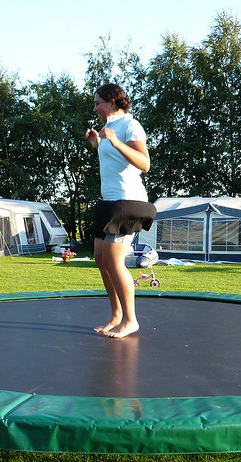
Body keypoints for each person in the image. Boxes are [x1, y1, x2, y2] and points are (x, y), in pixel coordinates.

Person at [85, 83, 156, 338]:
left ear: (112, 102)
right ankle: (116, 315)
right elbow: (115, 163)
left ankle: (130, 319)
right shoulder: (108, 129)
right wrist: (97, 144)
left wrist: (114, 141)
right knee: (101, 259)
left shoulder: (130, 125)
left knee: (115, 261)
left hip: (128, 202)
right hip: (110, 201)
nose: (95, 108)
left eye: (98, 103)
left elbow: (144, 163)